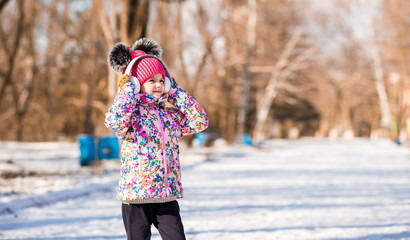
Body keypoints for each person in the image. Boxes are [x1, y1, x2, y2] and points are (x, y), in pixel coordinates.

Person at [105, 38, 209, 240]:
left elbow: (200, 121)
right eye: (151, 80)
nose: (158, 85)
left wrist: (175, 92)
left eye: (162, 80)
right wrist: (128, 90)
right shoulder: (130, 115)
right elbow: (114, 121)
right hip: (136, 198)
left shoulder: (168, 115)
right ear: (136, 83)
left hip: (166, 196)